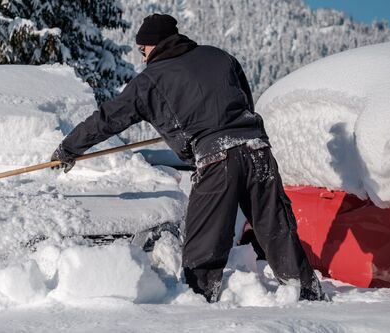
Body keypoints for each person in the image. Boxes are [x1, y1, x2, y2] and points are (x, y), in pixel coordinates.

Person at [51, 14, 325, 302]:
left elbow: (108, 119)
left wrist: (69, 149)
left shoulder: (150, 80)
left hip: (217, 159)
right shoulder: (219, 57)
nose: (142, 56)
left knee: (202, 246)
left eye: (142, 49)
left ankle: (197, 306)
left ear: (152, 46)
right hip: (257, 148)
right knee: (276, 229)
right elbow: (243, 99)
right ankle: (307, 294)